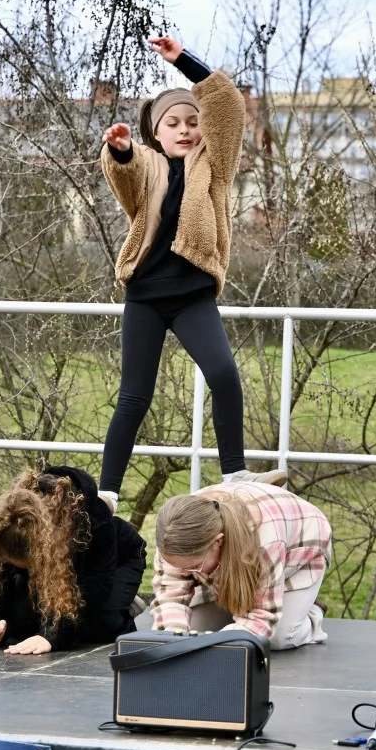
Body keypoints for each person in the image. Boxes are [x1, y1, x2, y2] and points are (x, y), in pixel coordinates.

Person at [97, 34, 287, 515]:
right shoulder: (149, 167)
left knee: (223, 373)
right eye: (173, 123)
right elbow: (125, 173)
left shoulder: (215, 164)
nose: (185, 130)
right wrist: (121, 150)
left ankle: (235, 473)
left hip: (192, 295)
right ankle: (107, 492)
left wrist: (183, 61)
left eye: (192, 122)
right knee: (134, 396)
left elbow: (227, 106)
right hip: (145, 294)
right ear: (156, 133)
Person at [0, 465, 147, 655]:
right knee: (21, 622)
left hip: (117, 561)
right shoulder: (8, 527)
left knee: (101, 624)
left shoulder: (94, 521)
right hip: (56, 566)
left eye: (30, 565)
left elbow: (95, 588)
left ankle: (122, 604)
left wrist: (52, 637)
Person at [150, 480, 332, 651]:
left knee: (279, 638)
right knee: (196, 632)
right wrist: (172, 638)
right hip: (232, 554)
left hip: (299, 550)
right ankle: (237, 604)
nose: (185, 574)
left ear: (218, 541)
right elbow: (170, 597)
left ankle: (309, 611)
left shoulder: (265, 540)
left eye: (194, 567)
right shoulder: (172, 535)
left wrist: (226, 645)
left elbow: (262, 617)